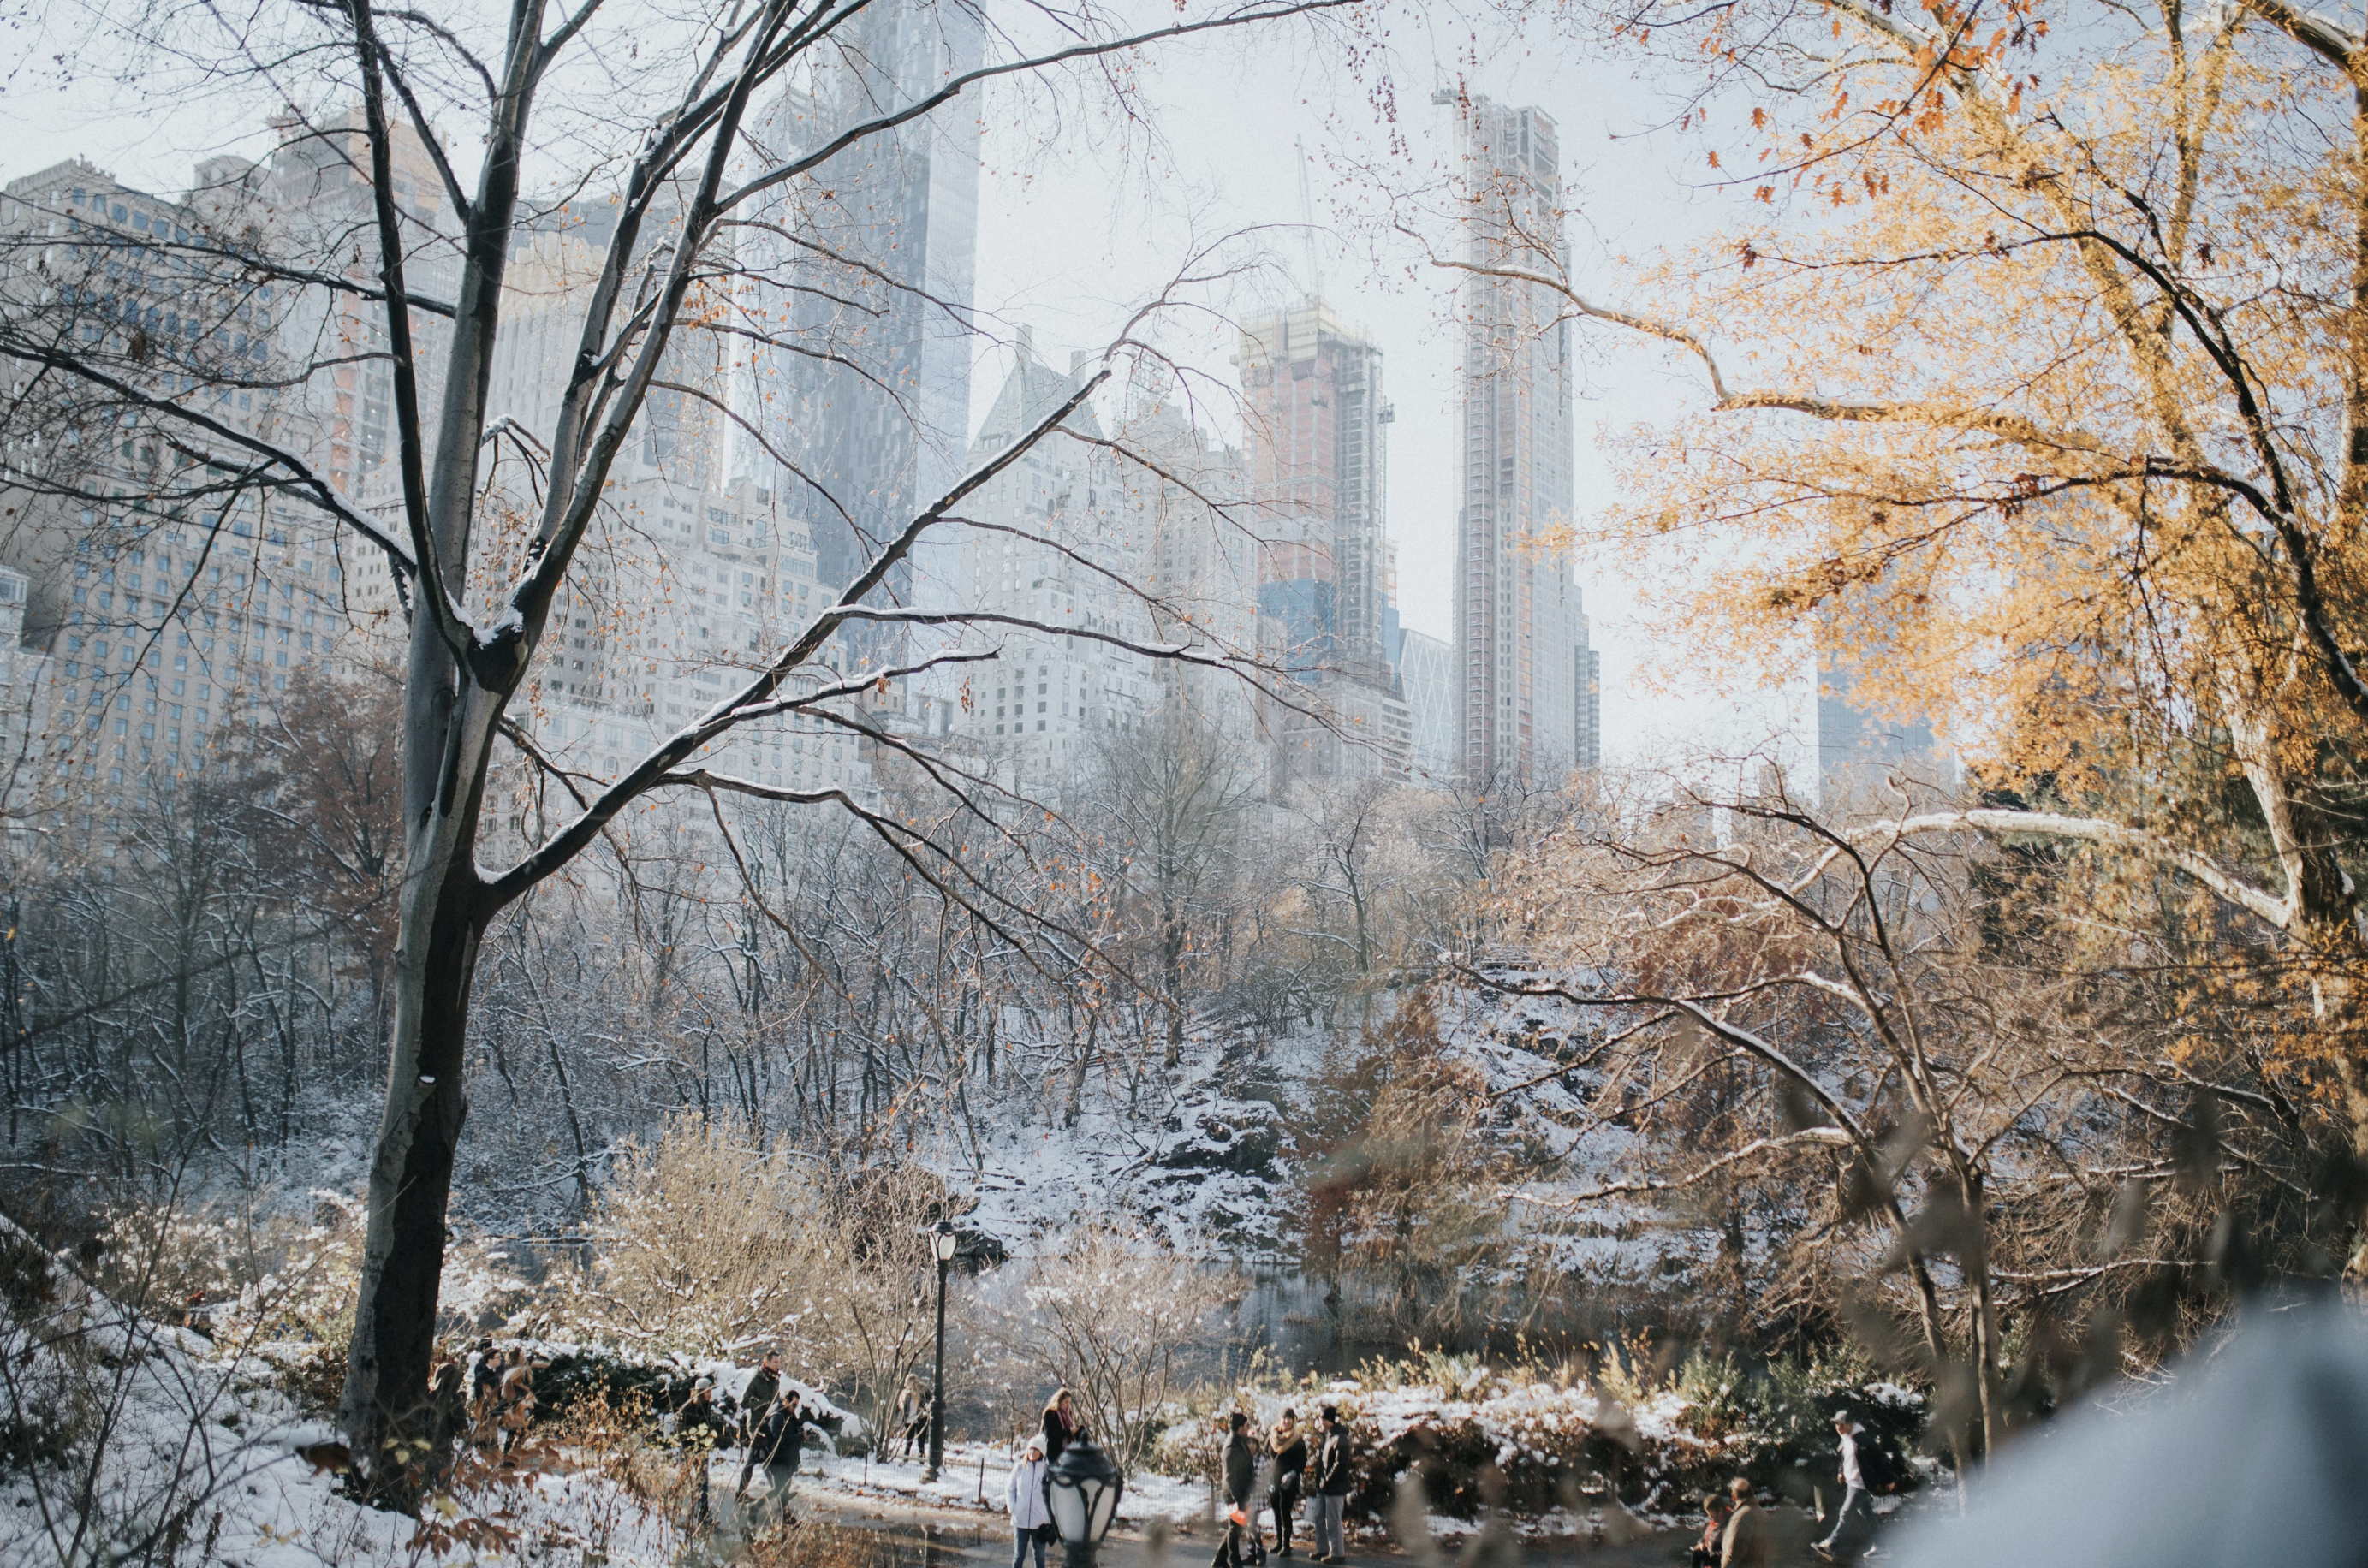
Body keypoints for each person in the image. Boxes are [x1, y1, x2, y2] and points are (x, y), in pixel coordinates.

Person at [1813, 1411, 1873, 1562]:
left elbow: (1876, 1458)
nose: (1838, 1428)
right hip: (1853, 1482)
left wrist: (1888, 1478)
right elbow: (1845, 1457)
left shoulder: (1861, 1440)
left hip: (1860, 1484)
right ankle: (1883, 1547)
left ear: (1850, 1424)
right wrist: (1842, 1472)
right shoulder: (1846, 1439)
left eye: (1840, 1424)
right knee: (1869, 1515)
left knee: (1845, 1513)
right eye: (1836, 1425)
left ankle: (1831, 1545)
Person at [675, 1376, 732, 1524]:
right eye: (708, 1391)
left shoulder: (707, 1406)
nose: (710, 1394)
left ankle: (703, 1515)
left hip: (702, 1450)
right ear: (701, 1392)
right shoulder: (687, 1408)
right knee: (682, 1481)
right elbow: (681, 1431)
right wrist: (697, 1435)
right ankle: (674, 1509)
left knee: (703, 1483)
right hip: (689, 1450)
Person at [740, 1389, 806, 1514]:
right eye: (793, 1404)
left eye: (796, 1405)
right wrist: (800, 1437)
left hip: (786, 1459)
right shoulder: (777, 1416)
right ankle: (754, 1507)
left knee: (784, 1489)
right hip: (777, 1459)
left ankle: (786, 1516)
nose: (794, 1408)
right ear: (785, 1401)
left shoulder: (788, 1415)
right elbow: (780, 1440)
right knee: (778, 1488)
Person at [1212, 1411, 1257, 1568]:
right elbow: (1230, 1477)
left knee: (1235, 1526)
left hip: (1240, 1493)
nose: (1248, 1429)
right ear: (1239, 1428)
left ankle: (1219, 1559)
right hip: (1233, 1494)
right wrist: (1238, 1499)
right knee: (1234, 1529)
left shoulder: (1240, 1443)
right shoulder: (1231, 1448)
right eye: (1246, 1426)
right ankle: (1235, 1561)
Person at [1309, 1404, 1351, 1565]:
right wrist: (1320, 1481)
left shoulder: (1341, 1438)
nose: (1322, 1422)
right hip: (1323, 1486)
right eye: (1321, 1419)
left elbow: (1341, 1464)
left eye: (1324, 1420)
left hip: (1335, 1488)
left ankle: (1338, 1553)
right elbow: (1322, 1462)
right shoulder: (1326, 1437)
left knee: (1333, 1521)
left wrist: (1327, 1480)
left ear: (1332, 1420)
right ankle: (1322, 1549)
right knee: (1319, 1518)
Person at [1007, 1434, 1054, 1568]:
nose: (1032, 1452)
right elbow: (1010, 1489)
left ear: (1042, 1453)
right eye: (1031, 1449)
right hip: (1020, 1519)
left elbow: (1053, 1495)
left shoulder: (1047, 1472)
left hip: (1040, 1522)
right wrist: (1013, 1508)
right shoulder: (1019, 1468)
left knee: (1039, 1556)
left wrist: (1048, 1516)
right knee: (1018, 1556)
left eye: (1036, 1450)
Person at [1270, 1408, 1308, 1559]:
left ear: (1293, 1420)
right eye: (1283, 1418)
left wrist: (1292, 1474)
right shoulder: (1273, 1436)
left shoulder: (1297, 1440)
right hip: (1272, 1480)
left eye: (1289, 1418)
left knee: (1285, 1511)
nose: (1286, 1421)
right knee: (1276, 1511)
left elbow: (1302, 1462)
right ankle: (1279, 1542)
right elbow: (1267, 1455)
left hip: (1289, 1481)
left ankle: (1286, 1545)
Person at [425, 1360, 467, 1490]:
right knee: (443, 1485)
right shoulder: (453, 1398)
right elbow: (462, 1427)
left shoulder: (428, 1395)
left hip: (423, 1446)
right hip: (443, 1448)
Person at [1721, 1478, 1774, 1568]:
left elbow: (1734, 1552)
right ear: (1752, 1493)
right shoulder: (1764, 1514)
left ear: (1733, 1496)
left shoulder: (1741, 1517)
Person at [741, 1350, 782, 1455]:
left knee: (768, 1455)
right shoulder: (756, 1379)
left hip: (769, 1423)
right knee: (758, 1453)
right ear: (766, 1363)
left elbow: (776, 1400)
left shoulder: (775, 1380)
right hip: (756, 1423)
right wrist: (762, 1403)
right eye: (775, 1362)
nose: (778, 1365)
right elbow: (744, 1402)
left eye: (779, 1362)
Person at [1042, 1388, 1084, 1465]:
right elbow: (1050, 1434)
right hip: (1055, 1452)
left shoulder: (1068, 1413)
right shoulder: (1050, 1413)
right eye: (1066, 1402)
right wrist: (1068, 1432)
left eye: (1069, 1402)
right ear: (1059, 1401)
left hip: (1068, 1452)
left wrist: (1077, 1431)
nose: (1068, 1404)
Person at [1691, 1491, 1732, 1568]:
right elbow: (1706, 1536)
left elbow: (1728, 1554)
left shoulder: (1729, 1526)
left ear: (1719, 1511)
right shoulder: (1715, 1522)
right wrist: (1701, 1543)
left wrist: (1706, 1556)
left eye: (1711, 1514)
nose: (1709, 1517)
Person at [899, 1373, 931, 1459]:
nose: (906, 1385)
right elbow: (901, 1407)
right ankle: (905, 1459)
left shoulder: (923, 1392)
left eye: (908, 1382)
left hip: (920, 1419)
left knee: (921, 1442)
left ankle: (921, 1459)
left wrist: (926, 1409)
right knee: (908, 1442)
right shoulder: (905, 1393)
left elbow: (929, 1402)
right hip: (909, 1420)